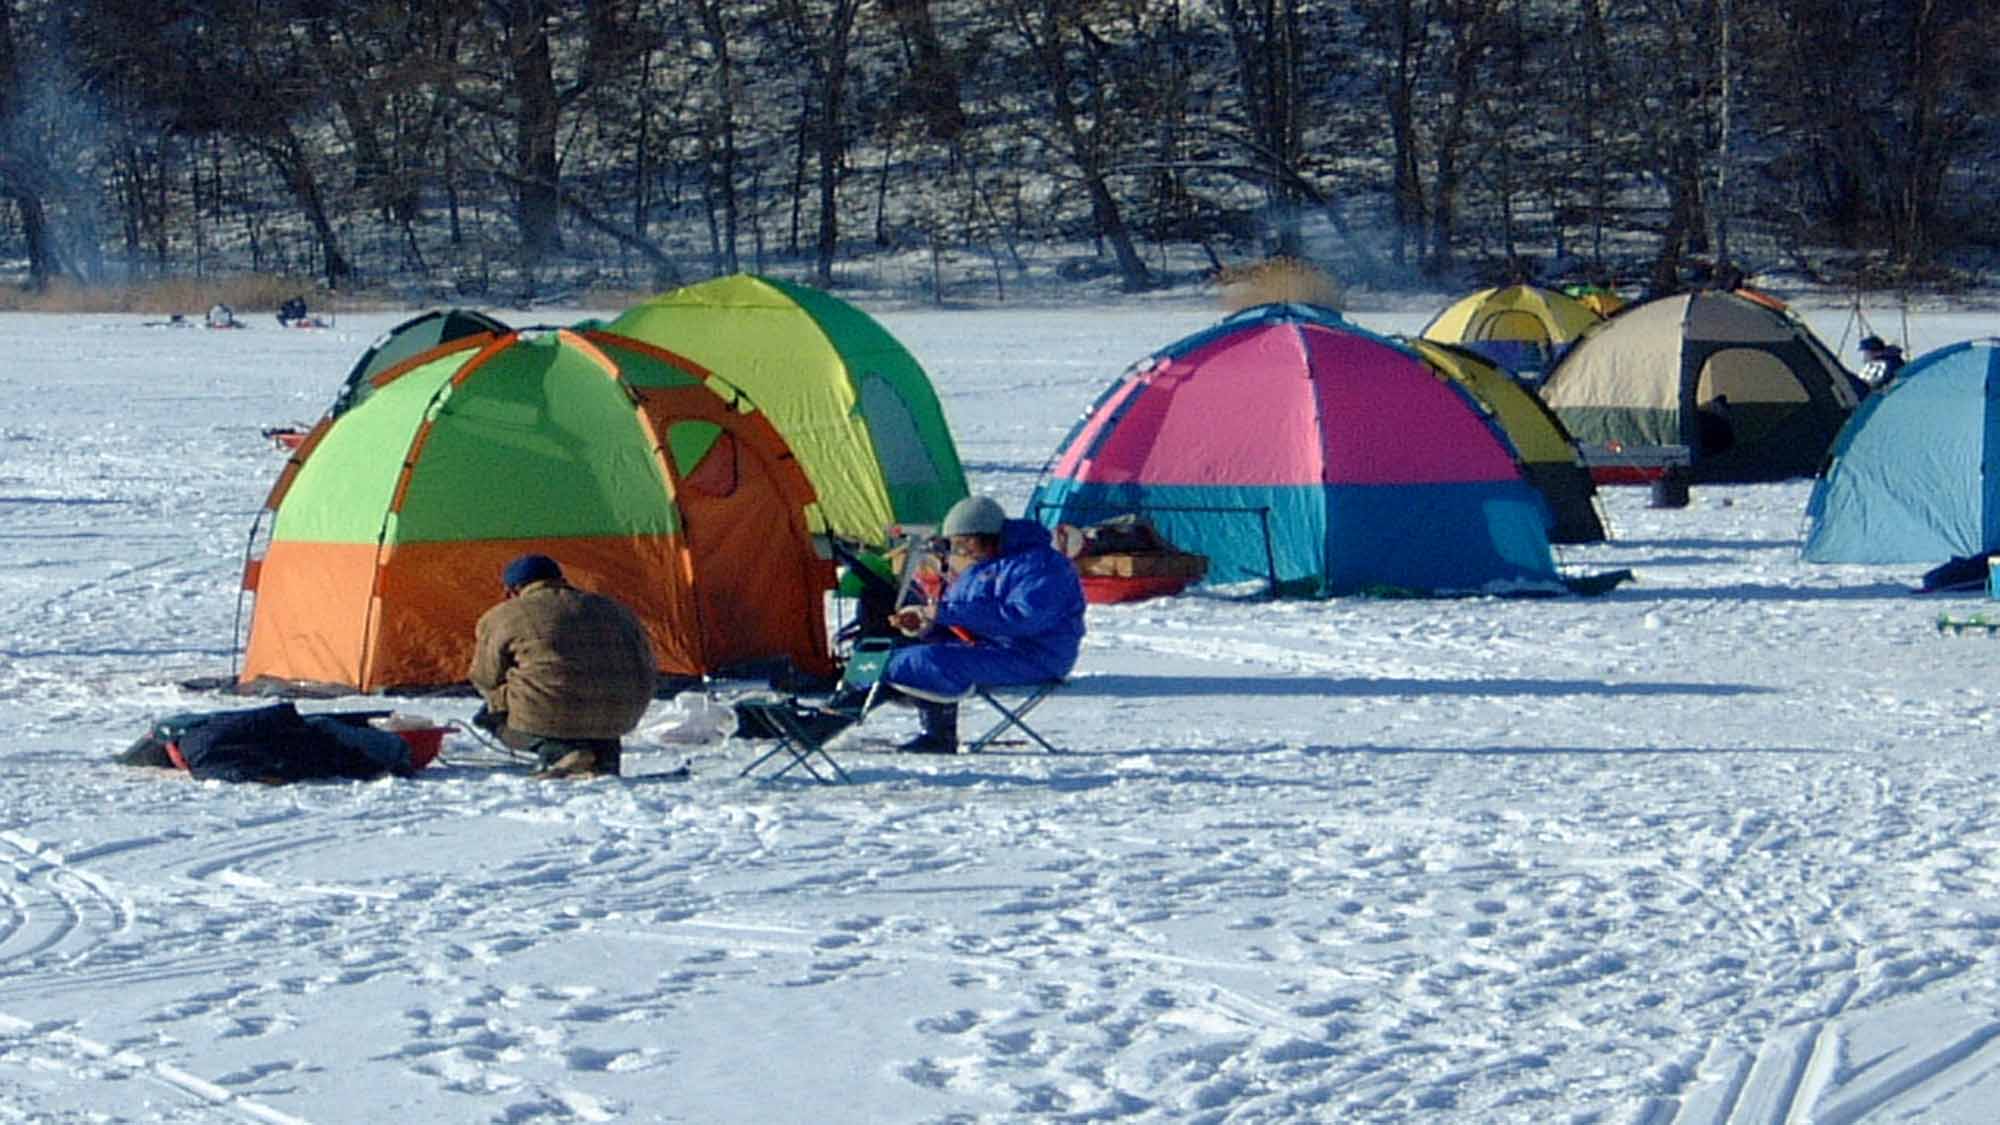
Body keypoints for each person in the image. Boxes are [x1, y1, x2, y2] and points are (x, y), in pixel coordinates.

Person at [874, 495, 1086, 754]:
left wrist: (942, 614)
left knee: (927, 661)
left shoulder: (1043, 566)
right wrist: (923, 623)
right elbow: (958, 614)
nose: (962, 550)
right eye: (956, 543)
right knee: (885, 653)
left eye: (965, 542)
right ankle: (837, 714)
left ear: (989, 535)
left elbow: (1023, 618)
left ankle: (937, 735)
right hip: (990, 647)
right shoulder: (980, 568)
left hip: (1035, 656)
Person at [469, 554, 657, 778]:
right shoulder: (613, 607)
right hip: (624, 710)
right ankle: (603, 760)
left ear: (515, 589)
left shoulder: (503, 615)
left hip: (551, 710)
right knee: (596, 702)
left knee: (488, 713)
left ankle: (560, 752)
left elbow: (485, 677)